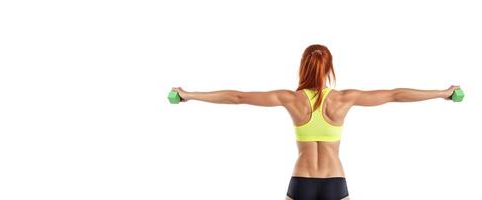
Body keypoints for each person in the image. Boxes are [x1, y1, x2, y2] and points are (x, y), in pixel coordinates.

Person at [170, 44, 460, 200]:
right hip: (335, 181)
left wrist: (189, 95)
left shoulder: (290, 99)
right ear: (329, 68)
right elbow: (396, 95)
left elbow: (237, 97)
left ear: (302, 67)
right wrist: (443, 93)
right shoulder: (345, 98)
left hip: (301, 183)